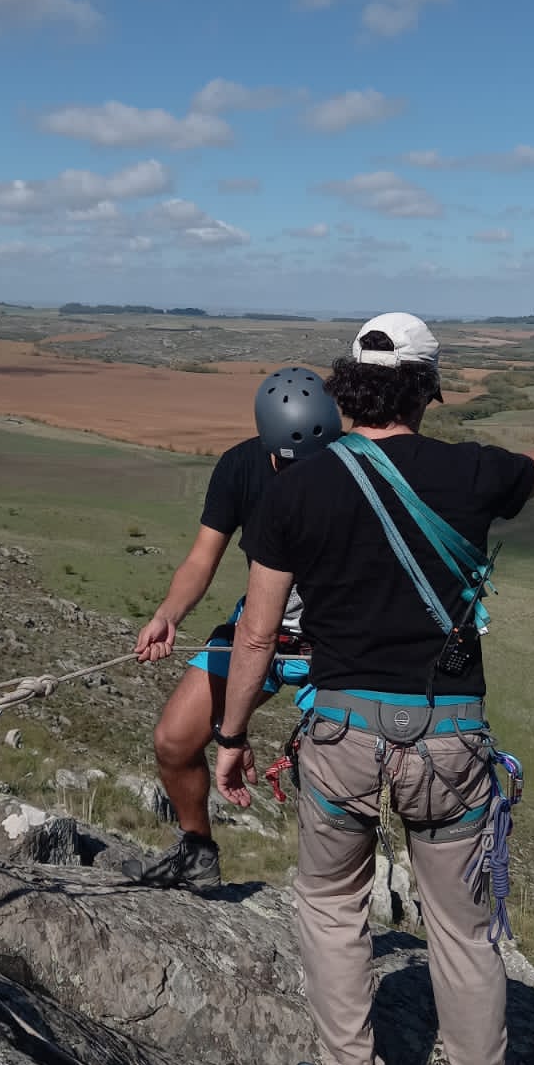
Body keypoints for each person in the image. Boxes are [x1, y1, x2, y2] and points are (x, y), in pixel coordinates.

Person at [214, 312, 534, 1065]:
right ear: (427, 390)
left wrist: (232, 735)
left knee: (331, 904)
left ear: (345, 389)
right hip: (450, 740)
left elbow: (256, 634)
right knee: (461, 926)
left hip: (341, 736)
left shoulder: (294, 491)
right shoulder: (475, 473)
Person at [128, 367, 342, 893]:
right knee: (174, 741)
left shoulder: (354, 468)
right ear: (270, 449)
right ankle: (197, 851)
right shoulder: (241, 466)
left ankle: (330, 895)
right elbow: (203, 558)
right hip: (259, 628)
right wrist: (169, 615)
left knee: (334, 775)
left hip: (336, 641)